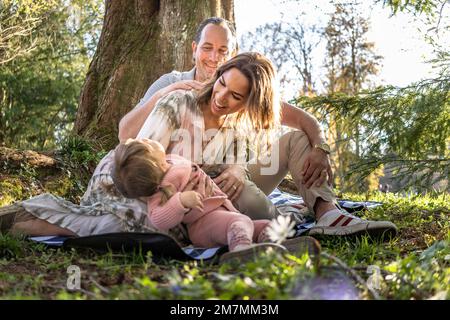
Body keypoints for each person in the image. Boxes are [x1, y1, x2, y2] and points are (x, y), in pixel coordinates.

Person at [133, 51, 398, 239]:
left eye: (236, 96)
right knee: (265, 215)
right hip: (189, 193)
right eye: (222, 83)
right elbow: (144, 157)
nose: (222, 98)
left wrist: (321, 149)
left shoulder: (242, 115)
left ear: (250, 102)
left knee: (298, 139)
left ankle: (327, 213)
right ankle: (291, 213)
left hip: (229, 185)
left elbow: (306, 120)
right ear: (219, 75)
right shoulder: (177, 103)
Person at [111, 138, 286, 259]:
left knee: (262, 225)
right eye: (146, 143)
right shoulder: (163, 187)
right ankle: (240, 252)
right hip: (204, 223)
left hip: (222, 212)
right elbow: (157, 217)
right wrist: (180, 201)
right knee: (239, 223)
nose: (148, 139)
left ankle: (270, 247)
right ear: (156, 163)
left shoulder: (172, 160)